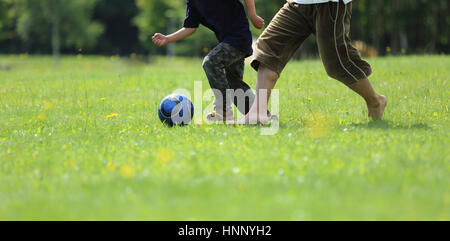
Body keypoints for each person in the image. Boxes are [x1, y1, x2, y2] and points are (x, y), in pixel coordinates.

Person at [239, 0, 387, 125]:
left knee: (337, 63)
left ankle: (375, 101)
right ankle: (258, 113)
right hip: (298, 3)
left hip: (330, 5)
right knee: (269, 49)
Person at [152, 0, 266, 122]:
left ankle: (223, 112)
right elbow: (190, 27)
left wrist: (252, 15)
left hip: (239, 37)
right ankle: (260, 114)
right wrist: (167, 39)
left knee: (211, 62)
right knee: (234, 83)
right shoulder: (193, 2)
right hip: (228, 40)